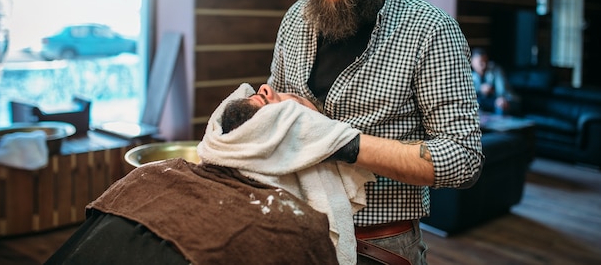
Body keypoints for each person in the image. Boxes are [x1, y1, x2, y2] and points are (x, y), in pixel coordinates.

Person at [267, 0, 484, 264]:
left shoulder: (430, 31)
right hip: (295, 231)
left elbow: (462, 158)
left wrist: (339, 141)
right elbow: (279, 116)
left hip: (379, 247)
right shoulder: (297, 18)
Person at [45, 83, 373, 265]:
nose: (266, 87)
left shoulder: (295, 226)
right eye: (265, 92)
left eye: (290, 103)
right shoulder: (159, 172)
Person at [470, 47, 518, 114]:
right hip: (487, 102)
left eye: (486, 62)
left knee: (501, 105)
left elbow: (502, 91)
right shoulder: (470, 74)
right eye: (481, 63)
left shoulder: (496, 70)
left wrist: (494, 92)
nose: (484, 65)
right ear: (472, 63)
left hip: (507, 99)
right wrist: (480, 89)